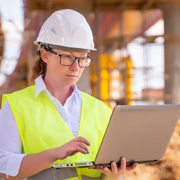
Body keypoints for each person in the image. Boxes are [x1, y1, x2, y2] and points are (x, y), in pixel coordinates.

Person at [0, 9, 138, 180]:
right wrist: (54, 154)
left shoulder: (101, 110)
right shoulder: (16, 105)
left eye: (82, 58)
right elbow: (3, 169)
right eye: (67, 57)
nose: (76, 67)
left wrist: (115, 175)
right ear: (45, 55)